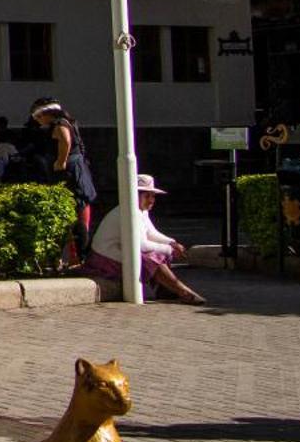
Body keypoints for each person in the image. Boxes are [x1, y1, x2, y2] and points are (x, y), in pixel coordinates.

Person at [83, 173, 205, 304]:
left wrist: (172, 243)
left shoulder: (141, 211)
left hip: (120, 252)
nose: (151, 200)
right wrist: (169, 249)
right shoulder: (129, 213)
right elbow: (141, 245)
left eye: (152, 196)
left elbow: (151, 232)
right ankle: (184, 292)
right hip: (105, 258)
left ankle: (165, 289)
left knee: (158, 254)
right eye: (147, 196)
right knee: (149, 258)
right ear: (134, 196)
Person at [28, 98, 97, 260]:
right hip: (77, 169)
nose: (38, 122)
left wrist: (61, 161)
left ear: (47, 114)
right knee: (78, 211)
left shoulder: (60, 124)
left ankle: (81, 257)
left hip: (70, 173)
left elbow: (65, 140)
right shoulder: (68, 122)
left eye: (38, 117)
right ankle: (78, 255)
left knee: (76, 212)